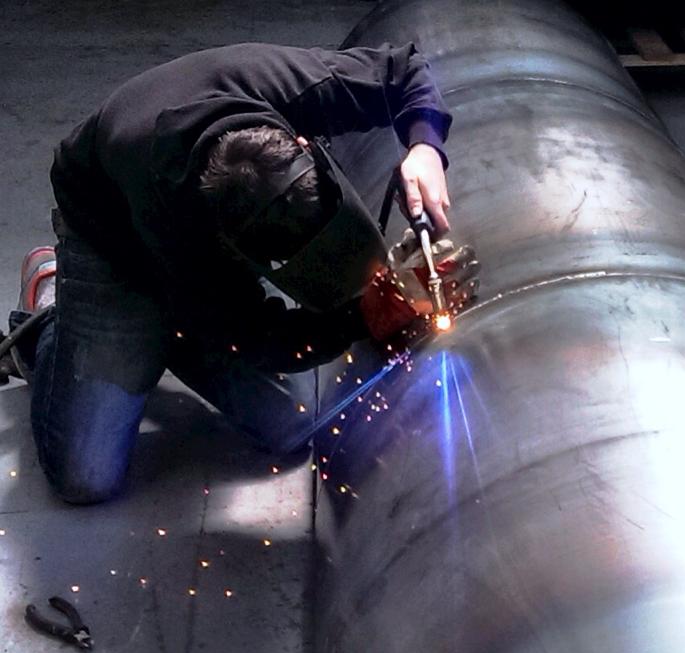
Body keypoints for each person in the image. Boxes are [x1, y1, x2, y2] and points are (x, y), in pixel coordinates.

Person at [11, 42, 478, 505]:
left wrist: (425, 146)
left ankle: (169, 333)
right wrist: (359, 319)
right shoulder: (178, 224)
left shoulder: (287, 86)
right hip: (108, 233)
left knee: (293, 421)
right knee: (87, 476)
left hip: (182, 242)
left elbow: (403, 68)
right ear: (228, 243)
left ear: (299, 144)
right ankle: (54, 306)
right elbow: (250, 335)